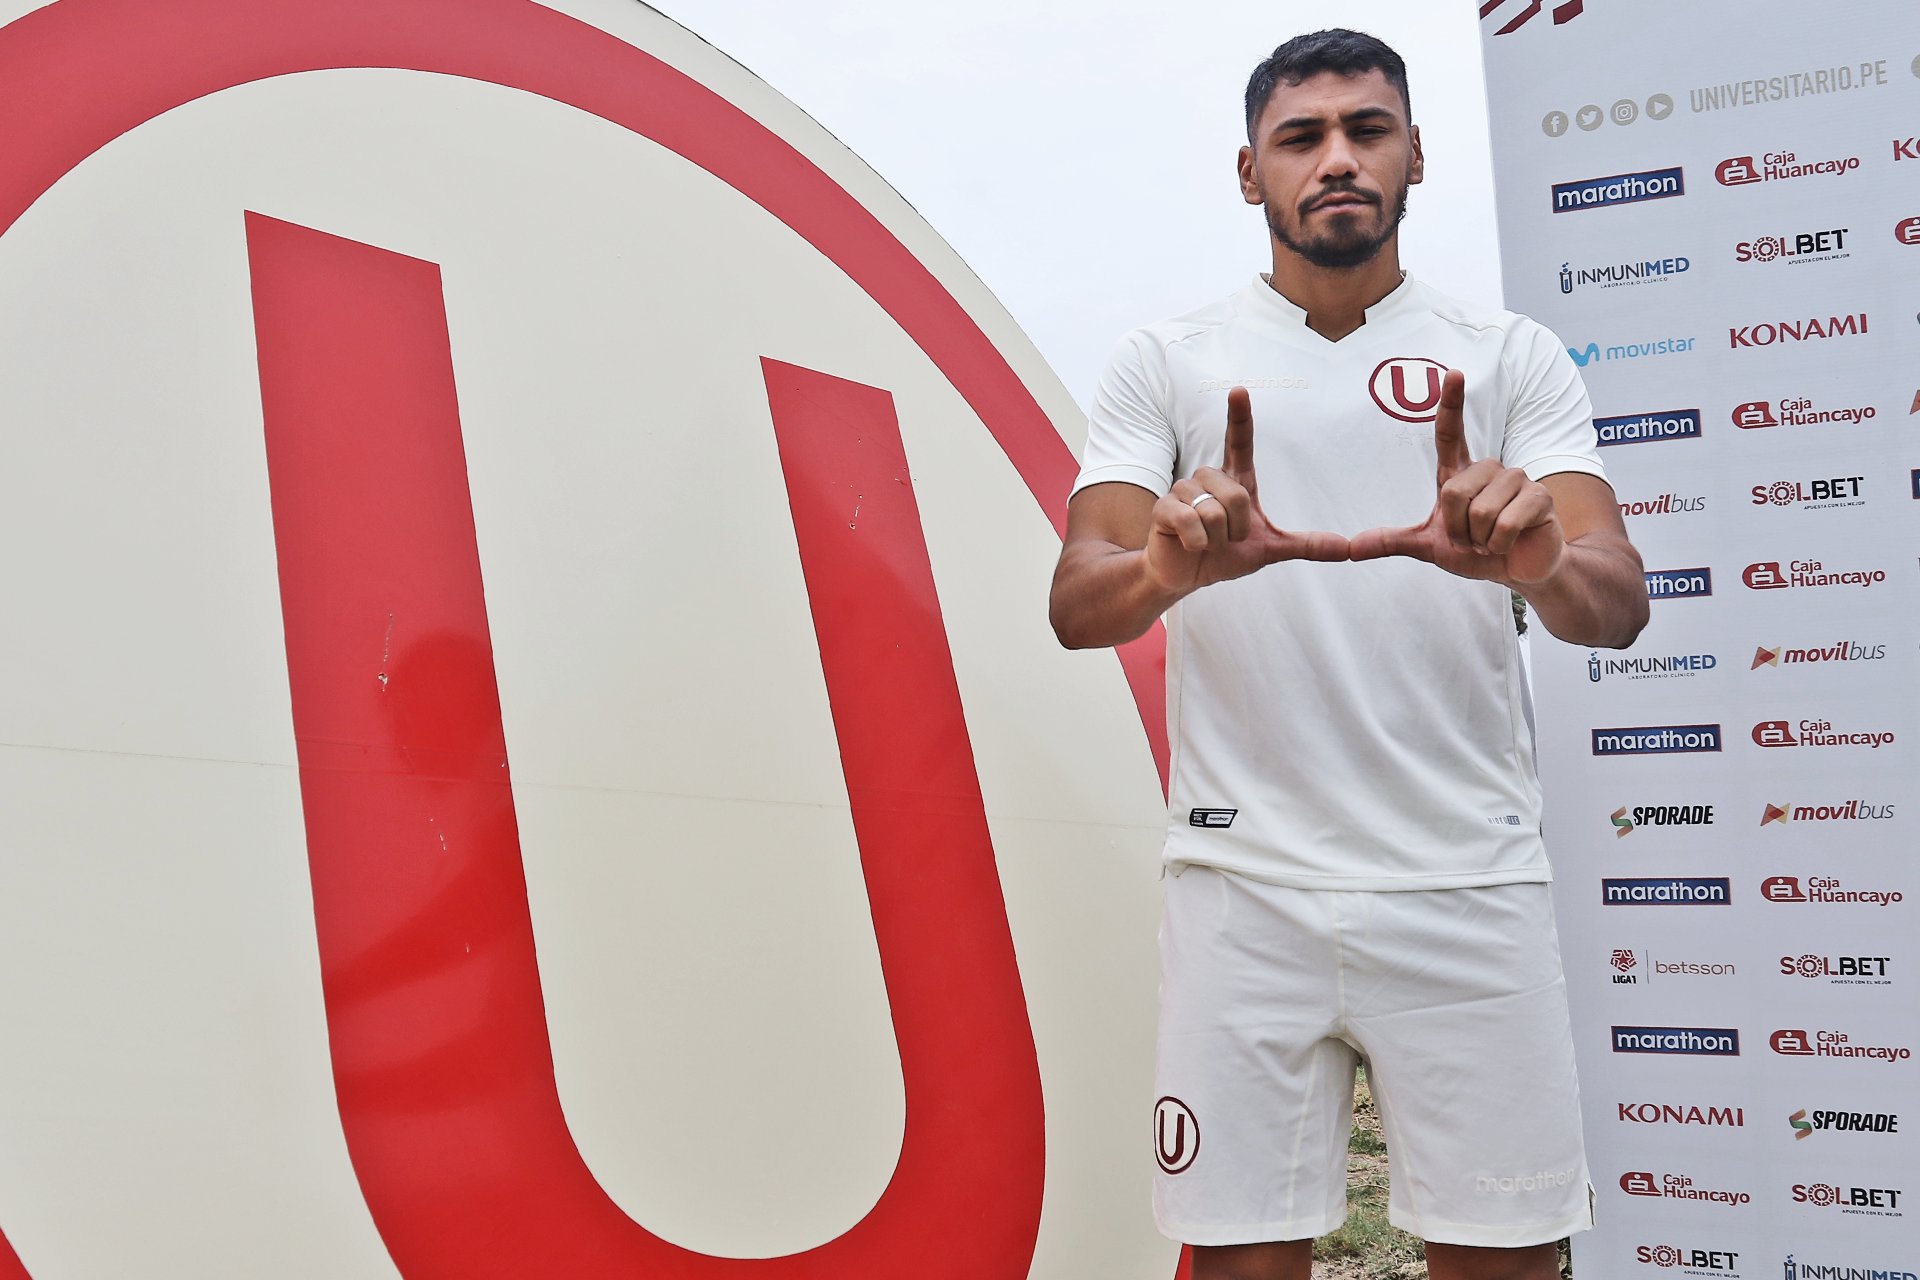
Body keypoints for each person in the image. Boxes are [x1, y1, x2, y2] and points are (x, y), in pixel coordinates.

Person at [1047, 29, 1648, 1280]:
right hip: (1242, 883)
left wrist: (1537, 561)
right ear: (1249, 171)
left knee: (1506, 1260)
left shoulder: (1509, 353)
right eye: (1301, 137)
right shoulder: (1167, 359)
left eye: (1367, 131)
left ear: (1415, 155)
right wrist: (1165, 571)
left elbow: (1617, 604)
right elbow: (1076, 602)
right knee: (1241, 1262)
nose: (1336, 160)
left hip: (1466, 877)